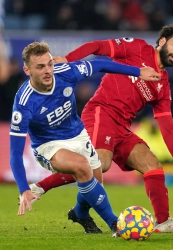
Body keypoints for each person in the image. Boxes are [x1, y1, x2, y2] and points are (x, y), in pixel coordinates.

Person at [26, 22, 173, 233]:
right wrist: (68, 59)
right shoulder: (137, 48)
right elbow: (97, 47)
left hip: (122, 127)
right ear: (162, 41)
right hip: (101, 111)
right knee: (100, 163)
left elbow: (168, 129)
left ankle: (163, 222)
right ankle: (40, 187)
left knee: (152, 164)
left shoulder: (163, 85)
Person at [10, 41, 161, 236]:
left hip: (78, 134)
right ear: (27, 70)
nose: (48, 70)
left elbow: (100, 64)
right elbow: (14, 153)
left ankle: (80, 213)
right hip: (48, 145)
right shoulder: (24, 103)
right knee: (82, 166)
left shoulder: (65, 72)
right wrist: (23, 189)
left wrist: (137, 72)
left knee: (93, 184)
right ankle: (115, 224)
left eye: (49, 64)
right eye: (40, 67)